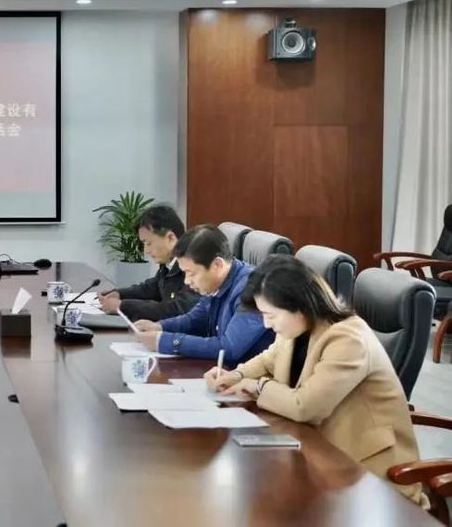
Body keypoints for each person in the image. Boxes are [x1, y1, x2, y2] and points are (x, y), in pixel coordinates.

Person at [207, 256, 427, 509]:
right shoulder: (299, 326)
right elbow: (269, 359)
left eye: (271, 315)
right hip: (319, 452)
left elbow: (306, 406)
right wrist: (235, 375)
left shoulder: (348, 338)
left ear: (300, 307)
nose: (267, 324)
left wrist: (258, 387)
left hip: (368, 472)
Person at [131, 224, 273, 364]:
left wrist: (165, 341)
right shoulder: (216, 284)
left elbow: (229, 349)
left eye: (191, 273)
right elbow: (195, 319)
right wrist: (160, 327)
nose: (187, 281)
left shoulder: (251, 289)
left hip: (249, 375)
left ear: (217, 265)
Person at [97, 204, 200, 321]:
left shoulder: (195, 265)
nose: (146, 250)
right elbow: (151, 288)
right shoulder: (168, 264)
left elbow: (177, 310)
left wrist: (123, 306)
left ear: (171, 238)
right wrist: (120, 294)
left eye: (148, 243)